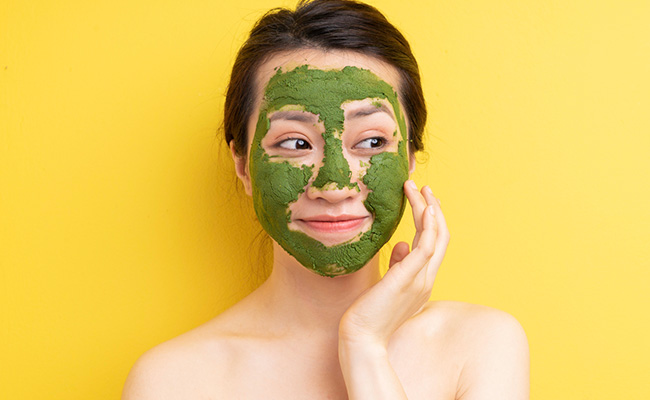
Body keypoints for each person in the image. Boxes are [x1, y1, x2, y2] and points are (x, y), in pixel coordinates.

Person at [122, 0, 529, 398]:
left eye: (372, 141)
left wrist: (364, 345)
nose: (334, 187)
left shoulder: (480, 347)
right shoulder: (171, 382)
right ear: (243, 166)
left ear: (408, 158)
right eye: (295, 143)